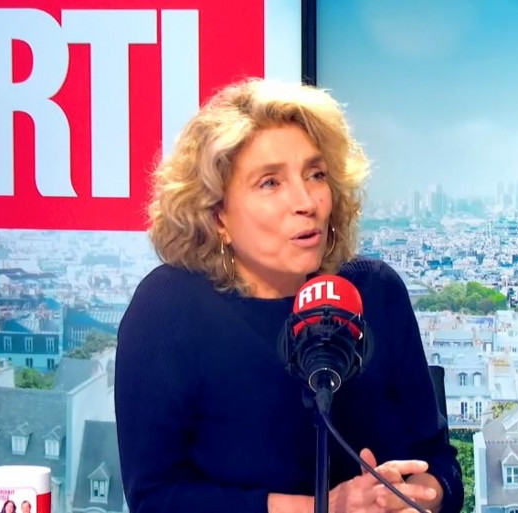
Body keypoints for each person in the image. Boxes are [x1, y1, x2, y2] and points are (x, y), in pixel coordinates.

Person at [115, 78, 463, 513]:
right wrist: (324, 508)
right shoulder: (168, 308)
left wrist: (418, 497)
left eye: (316, 175)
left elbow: (440, 464)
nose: (306, 202)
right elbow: (155, 498)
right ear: (218, 214)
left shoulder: (376, 292)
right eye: (270, 183)